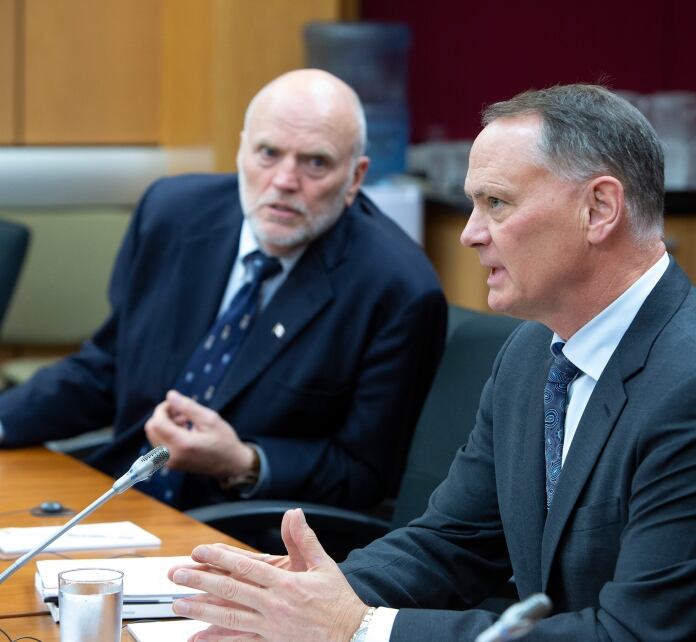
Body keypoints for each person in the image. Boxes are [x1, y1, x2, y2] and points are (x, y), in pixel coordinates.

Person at [167, 84, 696, 641]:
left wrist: (362, 628)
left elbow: (629, 636)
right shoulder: (534, 350)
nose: (469, 234)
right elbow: (454, 541)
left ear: (598, 210)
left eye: (496, 203)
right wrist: (299, 600)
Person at [0, 69, 447, 511]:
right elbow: (109, 367)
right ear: (240, 152)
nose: (285, 180)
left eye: (316, 162)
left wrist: (243, 462)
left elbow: (366, 473)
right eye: (268, 153)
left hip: (253, 534)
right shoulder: (172, 213)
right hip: (126, 496)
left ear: (354, 178)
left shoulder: (398, 289)